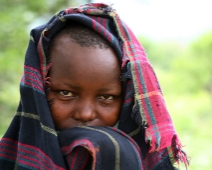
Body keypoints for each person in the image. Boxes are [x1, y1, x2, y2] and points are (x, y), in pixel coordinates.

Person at [0, 3, 189, 170]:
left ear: (127, 100)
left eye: (106, 97)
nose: (85, 114)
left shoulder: (116, 153)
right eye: (66, 93)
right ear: (38, 88)